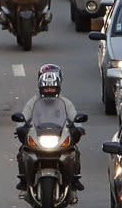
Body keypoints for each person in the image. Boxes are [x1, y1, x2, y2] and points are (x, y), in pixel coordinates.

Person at [15, 64, 84, 192]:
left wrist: (78, 127)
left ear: (58, 88)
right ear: (41, 88)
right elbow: (23, 117)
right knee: (22, 152)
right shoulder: (33, 102)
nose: (49, 91)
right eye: (46, 89)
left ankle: (74, 179)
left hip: (59, 136)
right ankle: (24, 179)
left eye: (52, 88)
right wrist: (20, 127)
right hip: (38, 136)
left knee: (75, 151)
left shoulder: (66, 103)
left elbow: (75, 117)